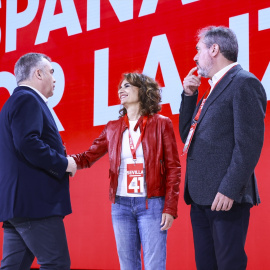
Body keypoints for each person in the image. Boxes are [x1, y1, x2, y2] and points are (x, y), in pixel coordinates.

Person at [71, 73, 181, 270]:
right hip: (120, 205)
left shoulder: (161, 123)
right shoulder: (113, 127)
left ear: (143, 90)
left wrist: (170, 207)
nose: (121, 90)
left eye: (127, 86)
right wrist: (62, 160)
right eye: (120, 87)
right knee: (128, 266)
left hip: (152, 204)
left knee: (155, 266)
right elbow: (88, 157)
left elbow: (174, 168)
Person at [179, 26, 267, 270]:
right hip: (201, 198)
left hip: (226, 198)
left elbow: (248, 145)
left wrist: (229, 189)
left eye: (198, 50)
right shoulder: (212, 89)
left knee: (229, 265)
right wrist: (188, 96)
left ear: (214, 49)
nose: (195, 57)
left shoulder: (244, 83)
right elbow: (188, 137)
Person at [0, 53, 77, 270]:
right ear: (38, 73)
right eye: (51, 72)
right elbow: (28, 144)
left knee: (13, 267)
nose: (54, 78)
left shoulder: (13, 102)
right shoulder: (27, 99)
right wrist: (64, 164)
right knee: (56, 264)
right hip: (35, 204)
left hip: (19, 205)